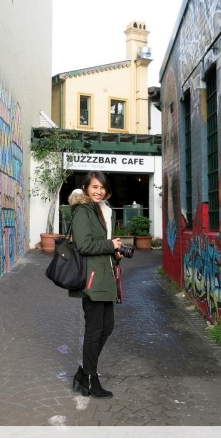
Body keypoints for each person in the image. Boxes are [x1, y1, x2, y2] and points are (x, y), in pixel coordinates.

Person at [67, 171, 122, 399]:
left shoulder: (105, 210)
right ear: (86, 188)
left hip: (105, 277)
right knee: (95, 329)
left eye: (102, 187)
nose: (99, 191)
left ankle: (84, 373)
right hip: (91, 279)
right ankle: (90, 378)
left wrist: (115, 252)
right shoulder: (83, 210)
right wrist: (110, 245)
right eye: (94, 187)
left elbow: (102, 243)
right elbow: (84, 245)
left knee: (107, 327)